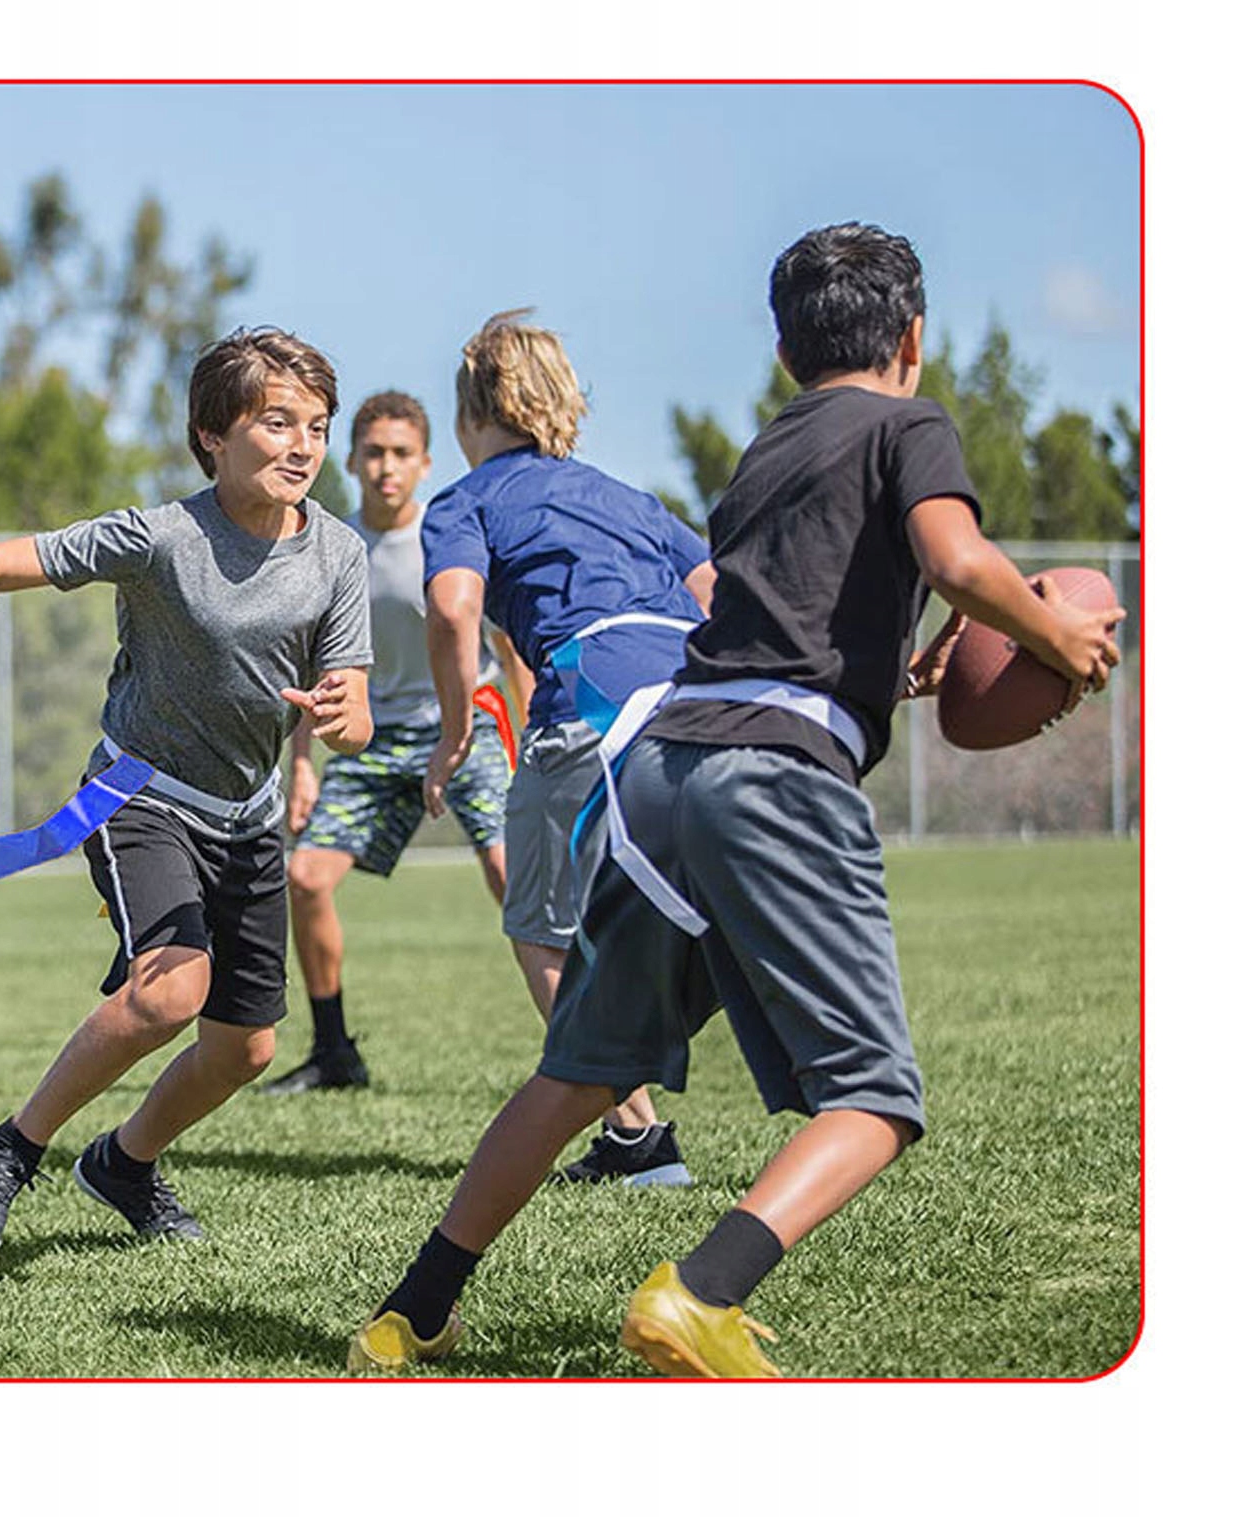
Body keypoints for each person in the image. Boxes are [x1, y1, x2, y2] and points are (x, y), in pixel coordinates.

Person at [347, 224, 1125, 1377]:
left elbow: (774, 623)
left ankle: (409, 1312)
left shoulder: (765, 452)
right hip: (769, 775)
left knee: (578, 1072)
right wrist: (1051, 633)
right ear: (911, 339)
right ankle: (699, 1292)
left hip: (661, 770)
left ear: (782, 352)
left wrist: (899, 669)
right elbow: (956, 559)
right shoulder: (906, 423)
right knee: (871, 1096)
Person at [0, 328, 373, 1253]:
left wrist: (341, 717)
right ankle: (9, 1148)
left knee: (244, 1048)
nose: (303, 446)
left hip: (247, 821)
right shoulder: (161, 537)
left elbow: (352, 711)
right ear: (211, 434)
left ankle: (123, 1162)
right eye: (278, 422)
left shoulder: (338, 553)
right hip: (140, 794)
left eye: (318, 428)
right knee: (169, 992)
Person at [418, 311, 715, 1185]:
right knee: (691, 912)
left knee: (540, 929)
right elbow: (718, 592)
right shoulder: (628, 498)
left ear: (471, 412)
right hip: (699, 705)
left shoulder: (467, 499)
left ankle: (636, 1138)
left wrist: (454, 729)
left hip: (588, 709)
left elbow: (452, 607)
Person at [263, 390, 517, 1094]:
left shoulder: (451, 540)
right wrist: (303, 766)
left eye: (401, 453)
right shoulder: (329, 547)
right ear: (350, 460)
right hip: (370, 740)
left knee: (514, 878)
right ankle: (333, 1052)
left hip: (467, 726)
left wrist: (529, 743)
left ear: (426, 463)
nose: (386, 467)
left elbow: (508, 648)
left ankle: (587, 1051)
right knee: (305, 877)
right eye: (373, 452)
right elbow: (314, 671)